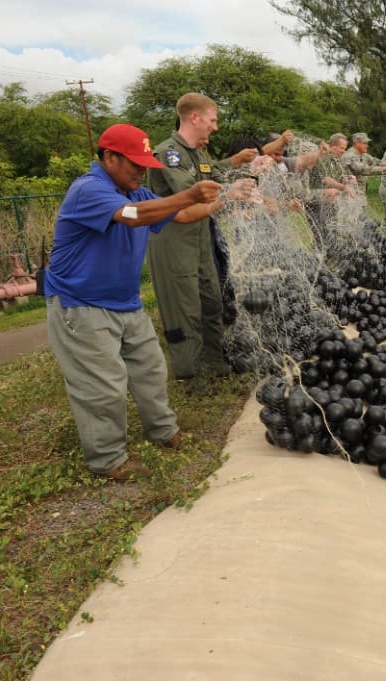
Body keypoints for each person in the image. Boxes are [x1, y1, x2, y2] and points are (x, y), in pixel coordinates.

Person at [44, 123, 237, 480]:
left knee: (150, 369)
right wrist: (189, 194)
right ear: (109, 158)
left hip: (125, 302)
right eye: (133, 163)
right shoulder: (89, 189)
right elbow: (131, 219)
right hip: (81, 304)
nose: (141, 170)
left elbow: (180, 215)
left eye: (144, 162)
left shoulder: (139, 194)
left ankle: (163, 430)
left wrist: (225, 198)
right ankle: (108, 459)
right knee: (102, 385)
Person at [146, 92, 240, 380]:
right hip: (175, 241)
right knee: (185, 307)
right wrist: (228, 196)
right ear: (195, 117)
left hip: (199, 236)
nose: (215, 127)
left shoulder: (198, 154)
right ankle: (191, 374)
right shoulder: (168, 154)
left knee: (211, 299)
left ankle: (215, 363)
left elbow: (215, 179)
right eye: (212, 120)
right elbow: (192, 196)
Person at [341, 132, 386, 214]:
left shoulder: (364, 155)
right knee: (353, 223)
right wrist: (383, 169)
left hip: (360, 195)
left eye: (367, 143)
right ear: (356, 143)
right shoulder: (349, 155)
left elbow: (376, 162)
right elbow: (362, 169)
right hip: (349, 196)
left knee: (362, 223)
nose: (367, 145)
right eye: (364, 143)